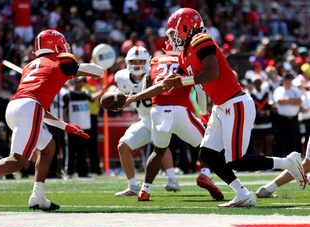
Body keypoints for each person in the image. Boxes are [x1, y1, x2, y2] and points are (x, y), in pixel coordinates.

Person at [162, 8, 306, 208]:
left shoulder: (200, 39)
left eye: (174, 32)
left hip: (234, 103)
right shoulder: (184, 55)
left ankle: (288, 162)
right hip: (221, 107)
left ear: (187, 26)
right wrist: (131, 98)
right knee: (207, 155)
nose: (173, 38)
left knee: (237, 161)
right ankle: (242, 194)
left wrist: (181, 82)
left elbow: (212, 73)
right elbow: (170, 83)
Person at [0, 29, 104, 211]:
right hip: (30, 108)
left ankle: (37, 196)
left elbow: (39, 110)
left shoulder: (30, 65)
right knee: (18, 161)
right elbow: (98, 72)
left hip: (15, 108)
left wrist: (64, 126)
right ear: (57, 44)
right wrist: (81, 64)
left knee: (48, 146)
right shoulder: (61, 61)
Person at [121, 43, 223, 201]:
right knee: (208, 145)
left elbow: (152, 87)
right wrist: (203, 112)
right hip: (180, 111)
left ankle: (145, 190)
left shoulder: (155, 61)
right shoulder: (186, 60)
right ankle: (204, 175)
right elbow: (200, 89)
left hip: (157, 112)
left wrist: (133, 98)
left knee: (158, 151)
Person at [114, 45, 180, 196]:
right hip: (144, 120)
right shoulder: (121, 77)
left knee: (161, 145)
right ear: (127, 62)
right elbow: (121, 95)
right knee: (123, 146)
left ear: (148, 62)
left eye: (141, 61)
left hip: (161, 116)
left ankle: (173, 179)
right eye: (134, 61)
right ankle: (132, 186)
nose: (137, 65)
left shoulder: (155, 74)